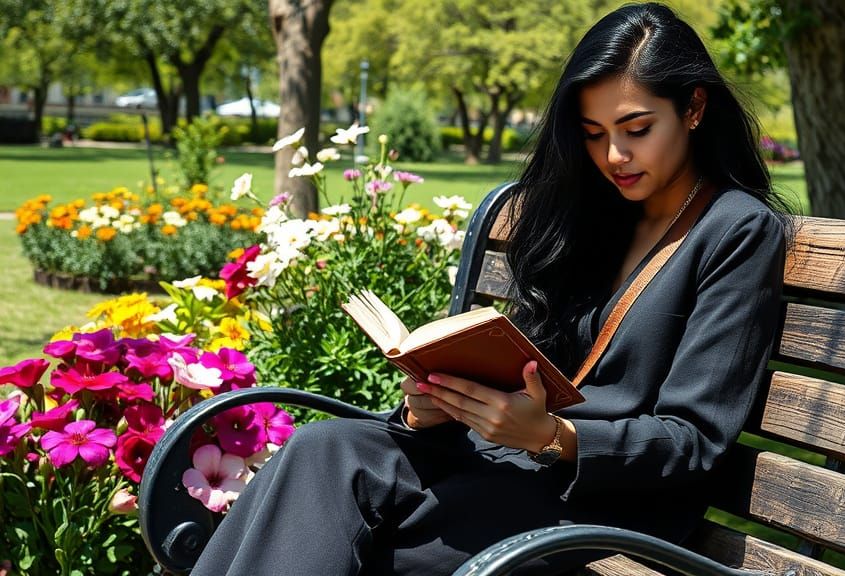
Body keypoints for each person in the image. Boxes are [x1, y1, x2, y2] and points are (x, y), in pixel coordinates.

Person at [191, 3, 791, 574]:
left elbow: (694, 440)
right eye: (592, 132)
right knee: (323, 451)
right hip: (500, 457)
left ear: (693, 108)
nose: (614, 155)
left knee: (375, 550)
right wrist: (438, 401)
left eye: (636, 128)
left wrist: (555, 437)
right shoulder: (594, 214)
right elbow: (525, 360)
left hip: (602, 496)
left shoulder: (736, 230)